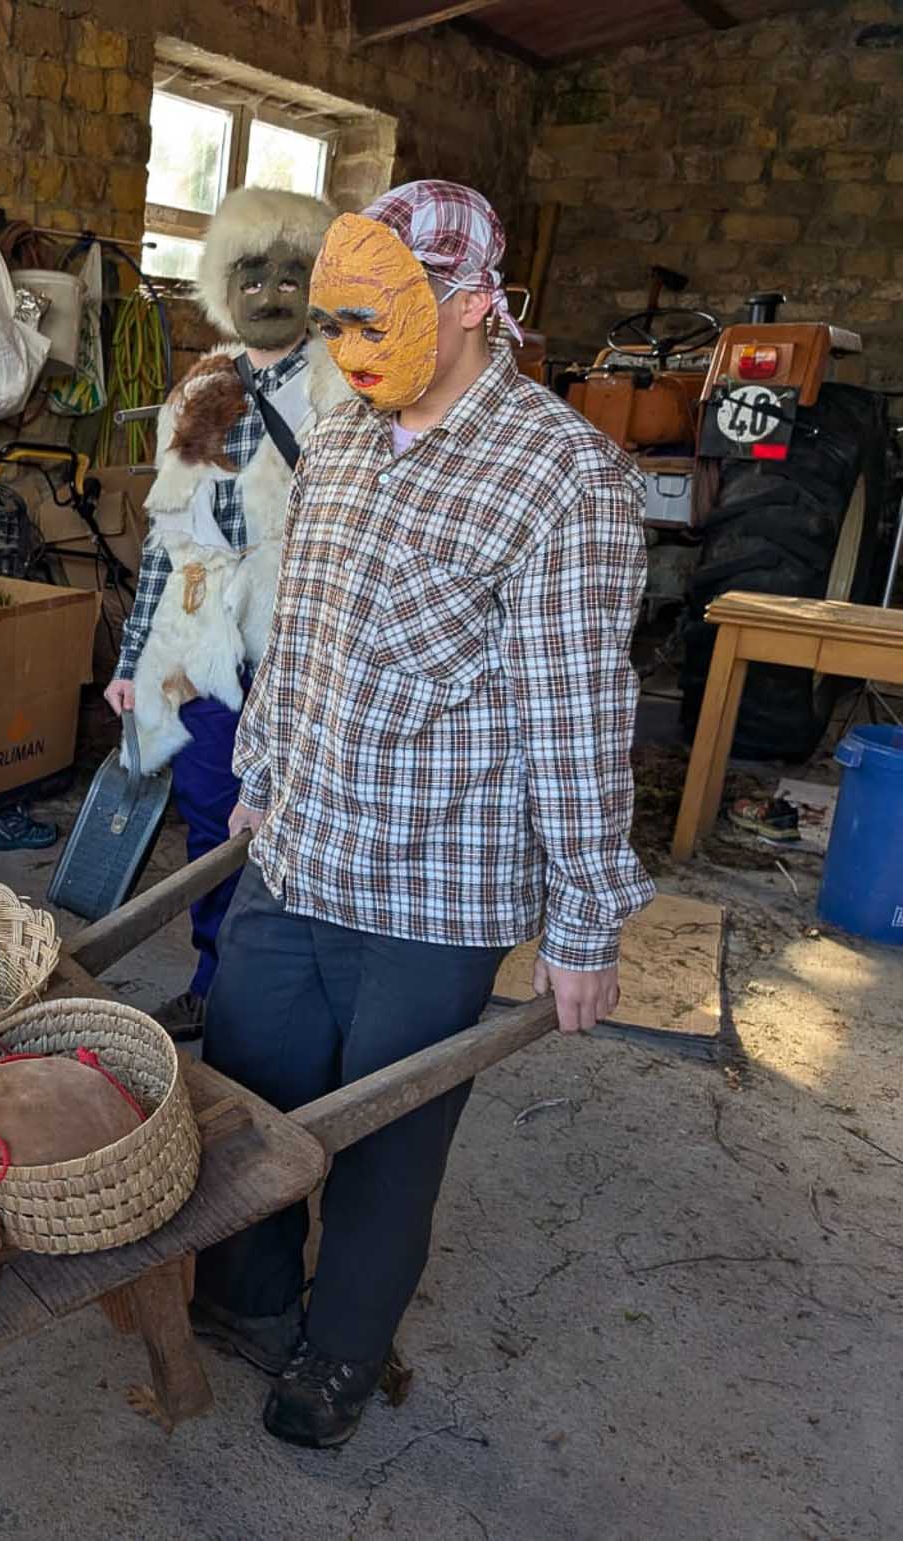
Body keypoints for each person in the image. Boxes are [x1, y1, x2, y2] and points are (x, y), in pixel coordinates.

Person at [197, 180, 654, 1448]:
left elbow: (574, 716)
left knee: (383, 1146)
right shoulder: (348, 427)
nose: (342, 346)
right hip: (297, 849)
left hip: (433, 887)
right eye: (334, 319)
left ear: (464, 308)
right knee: (249, 1088)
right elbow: (300, 635)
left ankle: (338, 1356)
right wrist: (261, 770)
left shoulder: (560, 476)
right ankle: (244, 1297)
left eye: (368, 319)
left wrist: (584, 922)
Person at [103, 188, 344, 1038]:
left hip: (303, 651)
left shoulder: (349, 392)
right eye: (252, 270)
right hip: (205, 647)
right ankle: (215, 980)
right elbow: (168, 542)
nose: (272, 290)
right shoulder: (202, 390)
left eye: (293, 272)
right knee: (210, 820)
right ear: (220, 281)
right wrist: (133, 663)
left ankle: (276, 1000)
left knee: (294, 828)